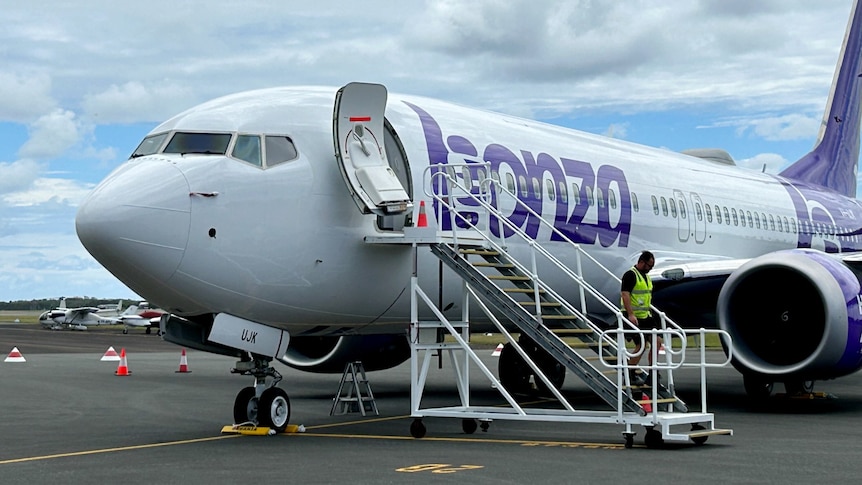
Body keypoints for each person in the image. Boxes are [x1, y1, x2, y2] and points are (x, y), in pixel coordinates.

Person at [620, 250, 660, 386]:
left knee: (657, 342)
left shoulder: (646, 276)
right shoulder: (630, 275)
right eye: (649, 265)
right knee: (641, 346)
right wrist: (630, 314)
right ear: (641, 262)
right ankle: (630, 373)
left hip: (645, 316)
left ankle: (653, 373)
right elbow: (625, 295)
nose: (650, 269)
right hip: (633, 316)